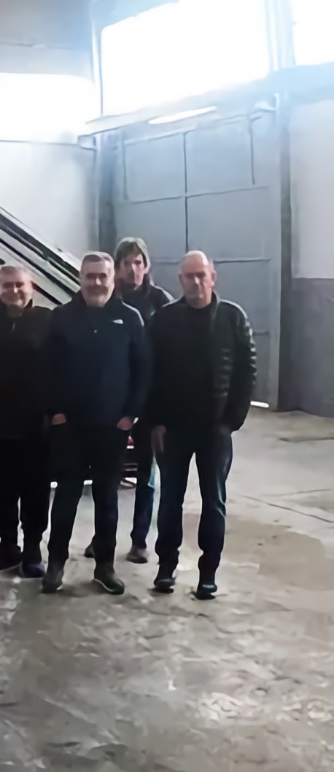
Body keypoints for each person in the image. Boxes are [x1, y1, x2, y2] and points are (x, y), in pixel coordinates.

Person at [146, 252, 255, 600]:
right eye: (189, 276)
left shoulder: (231, 318)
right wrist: (156, 422)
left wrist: (231, 421)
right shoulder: (163, 320)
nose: (195, 282)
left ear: (213, 277)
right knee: (170, 501)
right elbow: (150, 374)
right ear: (180, 281)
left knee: (214, 502)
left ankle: (208, 573)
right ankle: (166, 567)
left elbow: (246, 371)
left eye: (201, 275)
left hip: (214, 431)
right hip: (173, 430)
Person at [42, 252, 150, 596]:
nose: (96, 282)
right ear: (80, 278)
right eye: (90, 276)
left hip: (111, 429)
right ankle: (55, 563)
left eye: (102, 276)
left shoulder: (130, 319)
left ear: (112, 278)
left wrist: (129, 416)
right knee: (66, 498)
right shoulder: (61, 317)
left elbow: (143, 370)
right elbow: (46, 369)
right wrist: (56, 413)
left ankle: (104, 566)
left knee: (107, 500)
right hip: (70, 427)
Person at [93, 236, 173, 564]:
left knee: (146, 473)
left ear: (147, 265)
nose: (134, 269)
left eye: (139, 262)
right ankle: (102, 537)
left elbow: (169, 355)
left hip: (150, 402)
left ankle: (139, 540)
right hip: (111, 403)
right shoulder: (107, 300)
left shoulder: (161, 302)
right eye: (127, 263)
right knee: (105, 473)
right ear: (118, 267)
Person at [0, 265, 53, 579]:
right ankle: (8, 545)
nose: (14, 291)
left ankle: (32, 549)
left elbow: (61, 368)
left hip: (36, 424)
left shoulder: (48, 322)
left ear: (30, 286)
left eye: (19, 285)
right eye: (7, 285)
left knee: (35, 489)